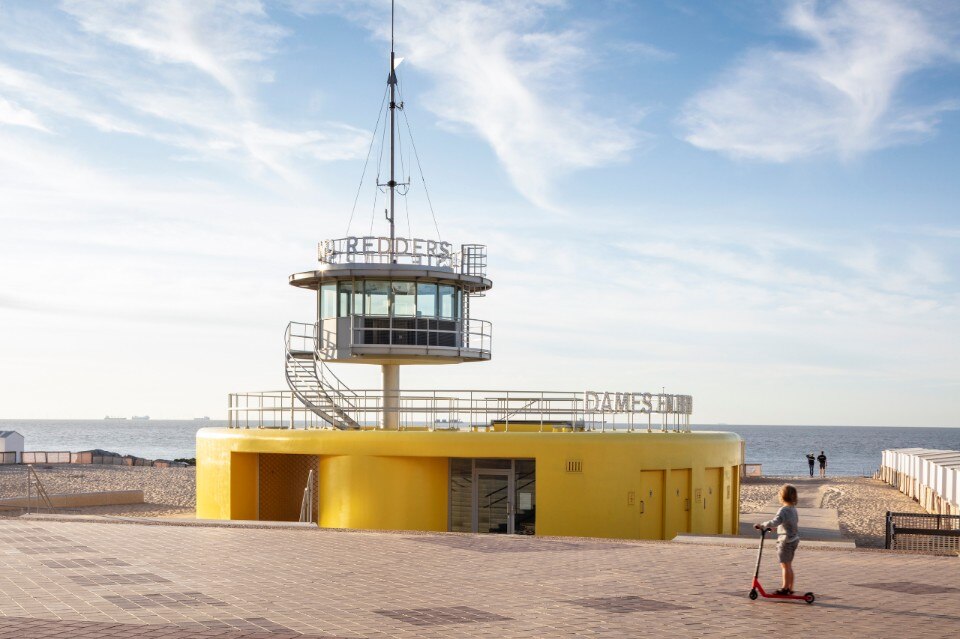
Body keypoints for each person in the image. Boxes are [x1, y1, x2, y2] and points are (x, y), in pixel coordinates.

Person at [755, 484, 800, 595]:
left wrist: (763, 525)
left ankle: (785, 588)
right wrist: (776, 529)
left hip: (785, 541)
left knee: (784, 565)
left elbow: (776, 521)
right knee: (788, 565)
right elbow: (789, 524)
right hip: (793, 539)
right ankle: (790, 587)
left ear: (782, 496)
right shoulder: (793, 510)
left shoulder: (783, 510)